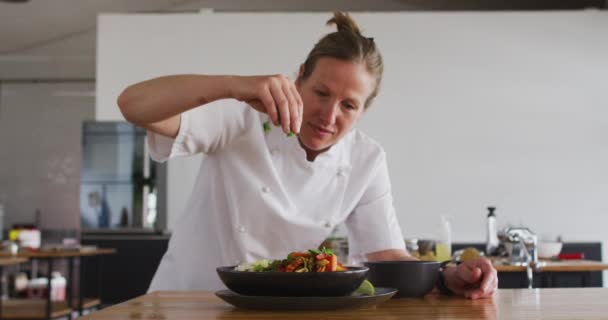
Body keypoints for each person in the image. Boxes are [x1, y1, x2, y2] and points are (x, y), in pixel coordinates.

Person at [118, 12, 497, 299]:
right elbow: (133, 104)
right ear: (298, 77)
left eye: (349, 105)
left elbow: (385, 254)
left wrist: (449, 274)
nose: (328, 116)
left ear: (364, 111)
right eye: (321, 93)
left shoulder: (366, 159)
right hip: (187, 302)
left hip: (278, 308)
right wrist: (233, 86)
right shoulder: (241, 116)